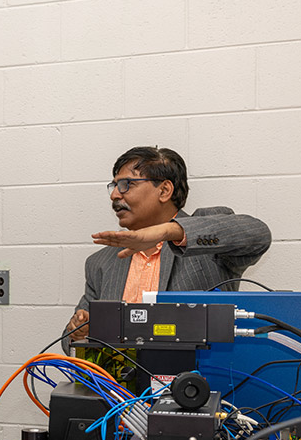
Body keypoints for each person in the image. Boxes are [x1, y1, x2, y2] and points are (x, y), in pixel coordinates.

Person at [62, 146, 271, 353]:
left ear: (164, 191)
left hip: (194, 382)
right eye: (114, 186)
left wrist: (171, 232)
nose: (115, 195)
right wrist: (79, 332)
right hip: (121, 384)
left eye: (126, 184)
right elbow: (69, 340)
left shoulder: (205, 240)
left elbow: (258, 235)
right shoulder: (101, 263)